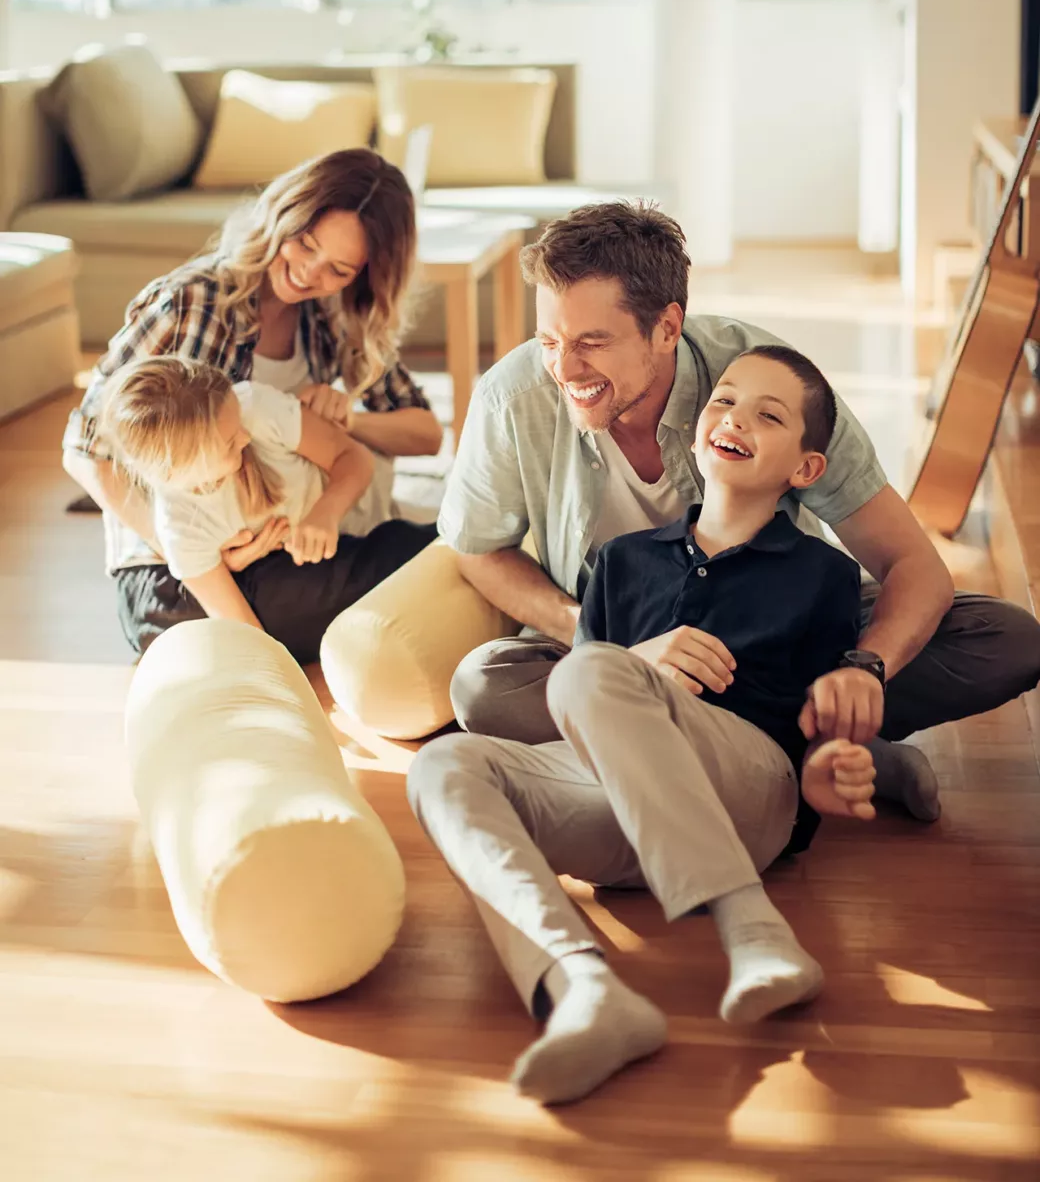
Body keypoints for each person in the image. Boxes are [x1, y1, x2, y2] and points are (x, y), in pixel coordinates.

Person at [438, 201, 1040, 813]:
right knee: (483, 686)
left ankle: (697, 751)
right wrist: (612, 652)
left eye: (592, 343)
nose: (564, 370)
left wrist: (865, 668)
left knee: (1007, 639)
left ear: (668, 327)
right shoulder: (512, 398)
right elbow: (478, 550)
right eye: (549, 341)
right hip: (618, 640)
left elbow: (911, 561)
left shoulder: (767, 381)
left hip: (775, 640)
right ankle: (820, 755)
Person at [409, 345, 878, 1106]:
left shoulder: (822, 576)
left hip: (747, 795)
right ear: (696, 431)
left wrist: (831, 766)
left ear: (807, 469)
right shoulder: (620, 563)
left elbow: (818, 719)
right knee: (442, 766)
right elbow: (589, 705)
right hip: (618, 809)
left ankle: (753, 930)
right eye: (724, 402)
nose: (736, 419)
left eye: (769, 414)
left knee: (590, 669)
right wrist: (636, 663)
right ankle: (585, 989)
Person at [63, 148, 440, 663]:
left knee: (404, 564)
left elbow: (425, 433)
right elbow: (83, 449)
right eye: (304, 244)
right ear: (283, 215)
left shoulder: (329, 317)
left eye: (339, 269)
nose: (309, 273)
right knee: (417, 567)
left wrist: (346, 418)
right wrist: (199, 553)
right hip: (173, 570)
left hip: (279, 549)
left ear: (364, 275)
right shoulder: (190, 303)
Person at [100, 355, 404, 632]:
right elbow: (245, 630)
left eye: (238, 426)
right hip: (297, 565)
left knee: (401, 562)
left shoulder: (254, 407)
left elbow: (356, 458)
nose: (245, 437)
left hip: (366, 522)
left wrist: (325, 513)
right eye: (230, 442)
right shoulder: (180, 529)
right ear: (176, 471)